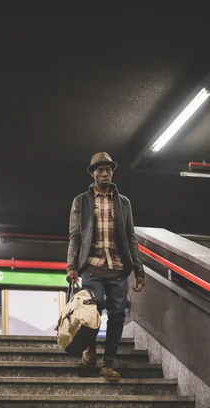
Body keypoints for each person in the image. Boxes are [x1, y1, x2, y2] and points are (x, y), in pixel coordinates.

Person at [66, 152, 145, 381]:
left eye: (108, 170)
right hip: (91, 265)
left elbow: (131, 237)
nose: (105, 173)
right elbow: (75, 235)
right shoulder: (81, 201)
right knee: (94, 307)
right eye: (100, 170)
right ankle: (90, 348)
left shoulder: (123, 203)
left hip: (118, 266)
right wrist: (72, 265)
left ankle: (108, 363)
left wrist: (139, 270)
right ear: (93, 174)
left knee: (118, 314)